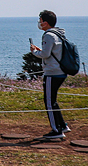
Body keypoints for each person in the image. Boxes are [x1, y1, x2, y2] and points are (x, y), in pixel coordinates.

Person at [30, 10, 70, 140]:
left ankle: (56, 130)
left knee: (48, 102)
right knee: (53, 101)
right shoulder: (59, 34)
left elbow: (45, 55)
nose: (39, 23)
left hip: (52, 72)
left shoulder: (48, 35)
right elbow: (53, 52)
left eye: (40, 21)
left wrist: (34, 52)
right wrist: (41, 51)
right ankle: (62, 125)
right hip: (61, 71)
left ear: (45, 23)